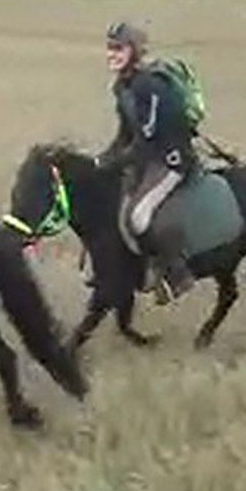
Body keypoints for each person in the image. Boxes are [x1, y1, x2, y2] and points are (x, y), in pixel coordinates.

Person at [95, 21, 198, 305]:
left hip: (171, 161)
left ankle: (176, 274)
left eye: (119, 48)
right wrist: (100, 160)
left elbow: (145, 140)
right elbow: (125, 135)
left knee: (138, 217)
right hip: (148, 159)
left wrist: (116, 162)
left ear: (134, 51)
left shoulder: (148, 85)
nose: (111, 54)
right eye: (109, 48)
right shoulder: (121, 87)